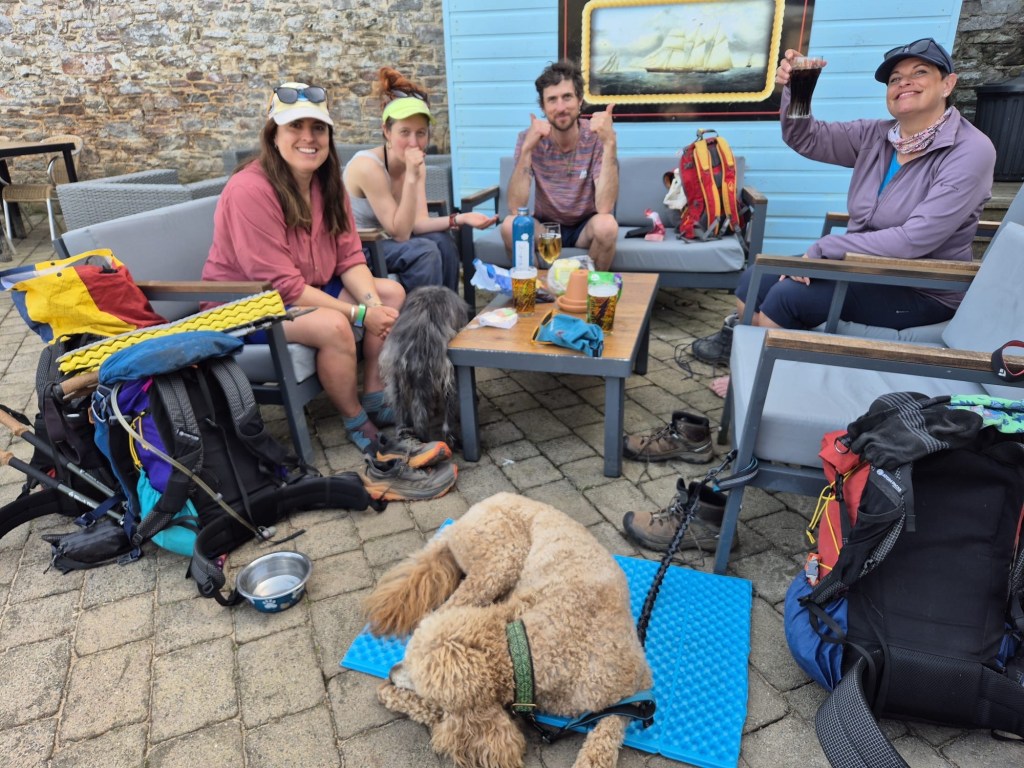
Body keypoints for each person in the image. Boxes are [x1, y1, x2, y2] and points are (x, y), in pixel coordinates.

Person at [691, 38, 996, 368]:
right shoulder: (877, 136)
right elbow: (806, 137)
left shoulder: (970, 150)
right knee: (753, 280)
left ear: (948, 84)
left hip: (920, 284)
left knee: (787, 297)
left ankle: (768, 381)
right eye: (895, 78)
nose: (904, 82)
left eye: (919, 72)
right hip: (862, 266)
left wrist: (827, 248)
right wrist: (797, 88)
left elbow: (915, 239)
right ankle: (745, 369)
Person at [203, 81, 407, 455]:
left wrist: (374, 306)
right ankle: (356, 420)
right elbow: (280, 287)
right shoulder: (250, 190)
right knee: (334, 325)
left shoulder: (327, 184)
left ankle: (375, 394)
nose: (308, 138)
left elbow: (349, 258)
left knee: (391, 293)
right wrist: (361, 314)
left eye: (318, 127)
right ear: (273, 135)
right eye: (295, 126)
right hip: (245, 307)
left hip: (303, 291)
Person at [343, 67, 498, 293]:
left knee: (444, 243)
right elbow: (400, 233)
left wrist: (460, 218)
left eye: (421, 133)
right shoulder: (368, 167)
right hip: (359, 248)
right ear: (386, 131)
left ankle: (448, 311)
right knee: (425, 251)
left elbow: (418, 223)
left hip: (387, 243)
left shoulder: (416, 165)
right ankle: (423, 315)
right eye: (404, 132)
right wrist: (411, 178)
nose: (414, 143)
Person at [500, 59, 620, 271]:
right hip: (546, 228)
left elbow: (604, 207)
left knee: (607, 225)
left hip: (584, 227)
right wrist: (527, 149)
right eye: (552, 100)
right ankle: (534, 287)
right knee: (510, 225)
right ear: (543, 107)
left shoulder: (596, 137)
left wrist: (610, 143)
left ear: (580, 100)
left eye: (567, 97)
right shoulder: (529, 138)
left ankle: (587, 288)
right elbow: (515, 207)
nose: (561, 108)